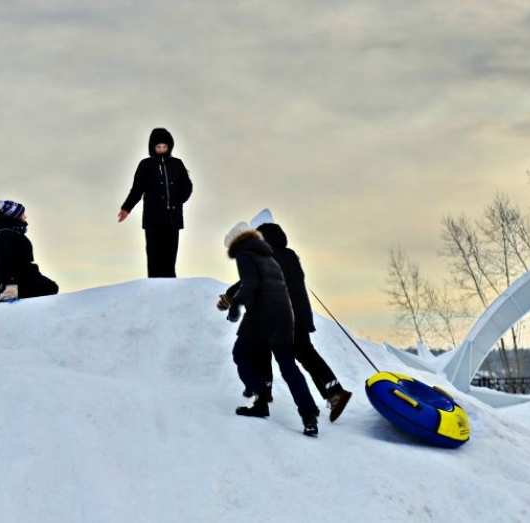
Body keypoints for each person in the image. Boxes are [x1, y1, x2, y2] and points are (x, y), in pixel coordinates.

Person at [219, 209, 353, 422]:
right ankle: (333, 392)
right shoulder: (289, 254)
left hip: (278, 315)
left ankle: (265, 393)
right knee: (306, 354)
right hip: (299, 314)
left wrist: (229, 296)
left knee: (262, 350)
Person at [220, 221, 320, 437]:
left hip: (261, 315)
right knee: (288, 367)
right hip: (284, 316)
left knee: (241, 353)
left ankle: (257, 391)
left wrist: (235, 304)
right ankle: (309, 416)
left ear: (235, 243)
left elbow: (250, 282)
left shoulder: (244, 254)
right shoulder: (268, 255)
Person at [118, 128, 193, 278]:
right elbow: (137, 190)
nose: (161, 150)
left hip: (173, 217)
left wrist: (180, 199)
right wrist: (127, 208)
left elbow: (187, 185)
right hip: (153, 219)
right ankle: (153, 285)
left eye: (164, 147)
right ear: (152, 148)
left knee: (170, 255)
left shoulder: (177, 164)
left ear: (169, 147)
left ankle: (171, 283)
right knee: (154, 255)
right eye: (158, 147)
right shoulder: (146, 165)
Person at [0, 200, 59, 301]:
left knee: (50, 287)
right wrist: (10, 285)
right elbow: (5, 263)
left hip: (23, 279)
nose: (25, 217)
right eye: (22, 214)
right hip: (21, 282)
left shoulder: (9, 234)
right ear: (14, 217)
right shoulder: (7, 236)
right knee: (50, 288)